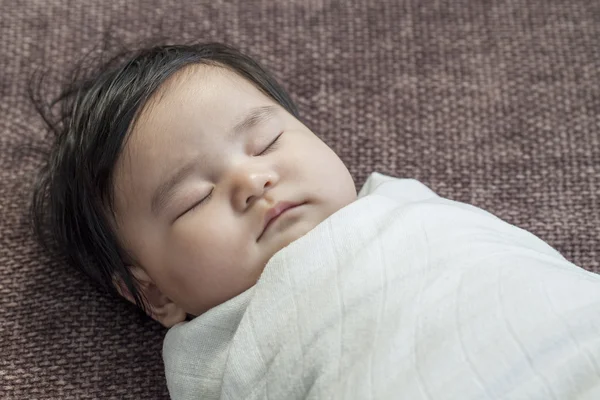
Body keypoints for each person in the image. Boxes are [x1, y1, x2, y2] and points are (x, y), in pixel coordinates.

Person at [32, 42, 600, 399]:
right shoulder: (217, 361)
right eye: (193, 198)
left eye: (267, 140)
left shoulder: (405, 210)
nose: (251, 181)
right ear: (153, 294)